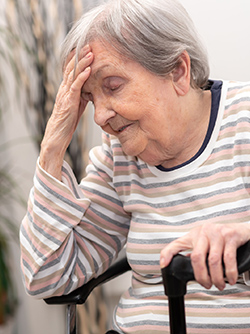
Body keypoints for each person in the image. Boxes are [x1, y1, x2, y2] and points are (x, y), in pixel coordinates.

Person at [20, 0, 250, 333]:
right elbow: (47, 276)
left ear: (178, 71)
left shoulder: (244, 122)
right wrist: (52, 148)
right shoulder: (121, 157)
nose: (100, 116)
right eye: (89, 97)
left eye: (112, 87)